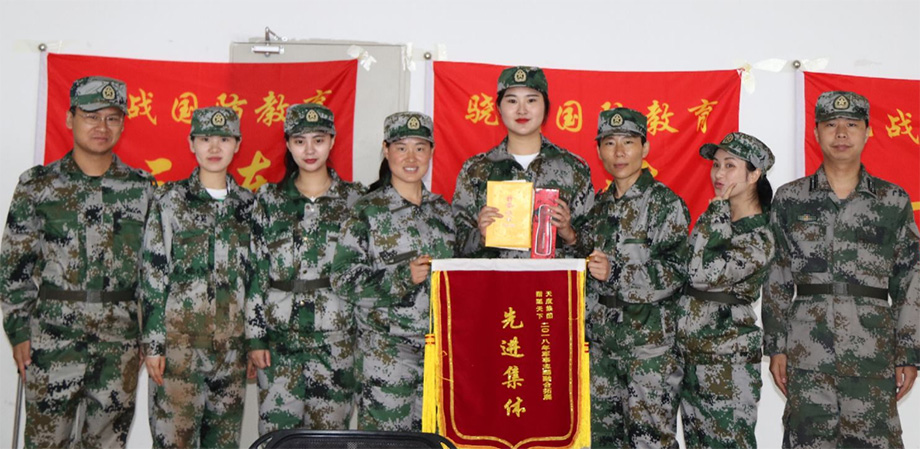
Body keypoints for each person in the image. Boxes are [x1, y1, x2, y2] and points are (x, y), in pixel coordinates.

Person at [0, 76, 155, 448]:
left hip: (119, 342)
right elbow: (13, 265)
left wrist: (148, 338)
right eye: (91, 116)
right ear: (70, 119)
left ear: (123, 124)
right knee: (47, 442)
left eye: (112, 118)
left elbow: (153, 273)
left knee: (107, 443)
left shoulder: (142, 188)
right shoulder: (38, 186)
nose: (102, 127)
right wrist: (19, 331)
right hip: (52, 340)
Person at [763, 91, 920, 448]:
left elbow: (911, 279)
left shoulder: (892, 200)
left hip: (873, 352)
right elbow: (777, 276)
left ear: (868, 132)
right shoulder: (791, 199)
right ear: (816, 132)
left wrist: (909, 352)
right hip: (807, 352)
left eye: (852, 124)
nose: (841, 134)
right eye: (831, 125)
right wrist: (776, 347)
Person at [331, 112, 455, 430]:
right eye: (401, 148)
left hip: (437, 354)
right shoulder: (366, 210)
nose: (411, 158)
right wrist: (401, 278)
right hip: (385, 355)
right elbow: (343, 279)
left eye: (420, 148)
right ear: (386, 151)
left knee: (432, 441)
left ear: (431, 152)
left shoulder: (443, 212)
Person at [140, 106, 254, 448]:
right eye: (205, 139)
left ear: (237, 144)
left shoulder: (249, 206)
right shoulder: (170, 200)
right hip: (179, 351)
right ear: (192, 144)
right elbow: (153, 274)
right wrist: (154, 344)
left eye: (224, 139)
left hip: (231, 352)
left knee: (224, 444)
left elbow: (256, 279)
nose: (214, 148)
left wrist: (254, 342)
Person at [247, 103, 365, 433]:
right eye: (300, 141)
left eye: (318, 140)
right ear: (288, 144)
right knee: (277, 437)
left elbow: (364, 274)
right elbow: (255, 270)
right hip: (280, 343)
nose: (310, 150)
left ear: (332, 141)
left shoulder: (355, 200)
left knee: (328, 438)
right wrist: (255, 338)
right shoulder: (269, 200)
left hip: (336, 343)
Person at [577, 108, 689, 448]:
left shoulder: (664, 203)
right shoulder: (599, 207)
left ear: (645, 147)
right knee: (602, 440)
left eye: (628, 142)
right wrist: (569, 236)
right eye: (609, 143)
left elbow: (676, 270)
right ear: (599, 151)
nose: (619, 152)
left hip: (648, 348)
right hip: (601, 347)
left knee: (650, 440)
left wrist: (617, 272)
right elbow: (584, 263)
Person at [676, 132, 775, 448]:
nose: (719, 174)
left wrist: (717, 211)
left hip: (727, 361)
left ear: (754, 174)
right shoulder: (717, 219)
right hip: (692, 355)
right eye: (716, 164)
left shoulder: (760, 234)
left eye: (730, 165)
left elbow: (702, 274)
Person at [451, 65, 593, 258]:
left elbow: (594, 245)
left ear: (546, 106)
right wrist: (481, 236)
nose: (522, 110)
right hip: (495, 277)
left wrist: (569, 234)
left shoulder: (573, 168)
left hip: (552, 278)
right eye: (512, 101)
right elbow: (454, 245)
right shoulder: (476, 170)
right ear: (499, 108)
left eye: (531, 100)